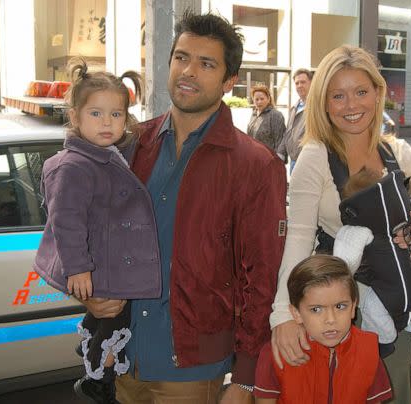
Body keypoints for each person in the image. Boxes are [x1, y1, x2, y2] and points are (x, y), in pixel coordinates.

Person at [82, 10, 287, 404]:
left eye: (206, 63)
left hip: (192, 369)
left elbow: (261, 280)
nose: (188, 71)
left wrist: (245, 379)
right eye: (181, 57)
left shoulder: (256, 166)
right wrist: (90, 293)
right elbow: (94, 231)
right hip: (124, 356)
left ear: (230, 81)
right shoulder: (133, 144)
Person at [269, 45, 411, 403]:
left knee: (399, 390)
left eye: (361, 92)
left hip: (404, 307)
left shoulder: (398, 153)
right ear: (323, 103)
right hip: (341, 315)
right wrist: (282, 315)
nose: (351, 105)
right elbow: (297, 241)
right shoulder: (314, 157)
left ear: (377, 94)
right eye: (337, 96)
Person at [33, 59, 159, 403]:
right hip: (96, 262)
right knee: (115, 315)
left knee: (114, 315)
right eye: (96, 114)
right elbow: (65, 220)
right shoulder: (74, 164)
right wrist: (77, 267)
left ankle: (95, 351)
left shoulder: (107, 152)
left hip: (107, 259)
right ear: (75, 116)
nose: (107, 123)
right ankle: (98, 374)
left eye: (116, 115)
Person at [333, 167, 411, 357]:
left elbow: (345, 263)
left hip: (392, 291)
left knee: (371, 307)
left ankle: (383, 340)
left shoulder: (359, 228)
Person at [254, 255, 392, 403]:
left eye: (340, 306)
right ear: (296, 313)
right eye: (316, 309)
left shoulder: (369, 352)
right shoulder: (276, 353)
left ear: (353, 308)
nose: (331, 320)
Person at [276, 68, 313, 172]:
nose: (299, 85)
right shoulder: (294, 108)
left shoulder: (318, 107)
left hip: (308, 162)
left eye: (303, 82)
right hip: (294, 161)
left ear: (311, 83)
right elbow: (288, 133)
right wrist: (280, 153)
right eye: (297, 83)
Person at [246, 85, 286, 152]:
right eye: (256, 99)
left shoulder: (275, 115)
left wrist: (278, 159)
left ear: (268, 99)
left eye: (262, 99)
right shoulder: (254, 114)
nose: (259, 102)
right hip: (254, 156)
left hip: (268, 158)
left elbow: (280, 141)